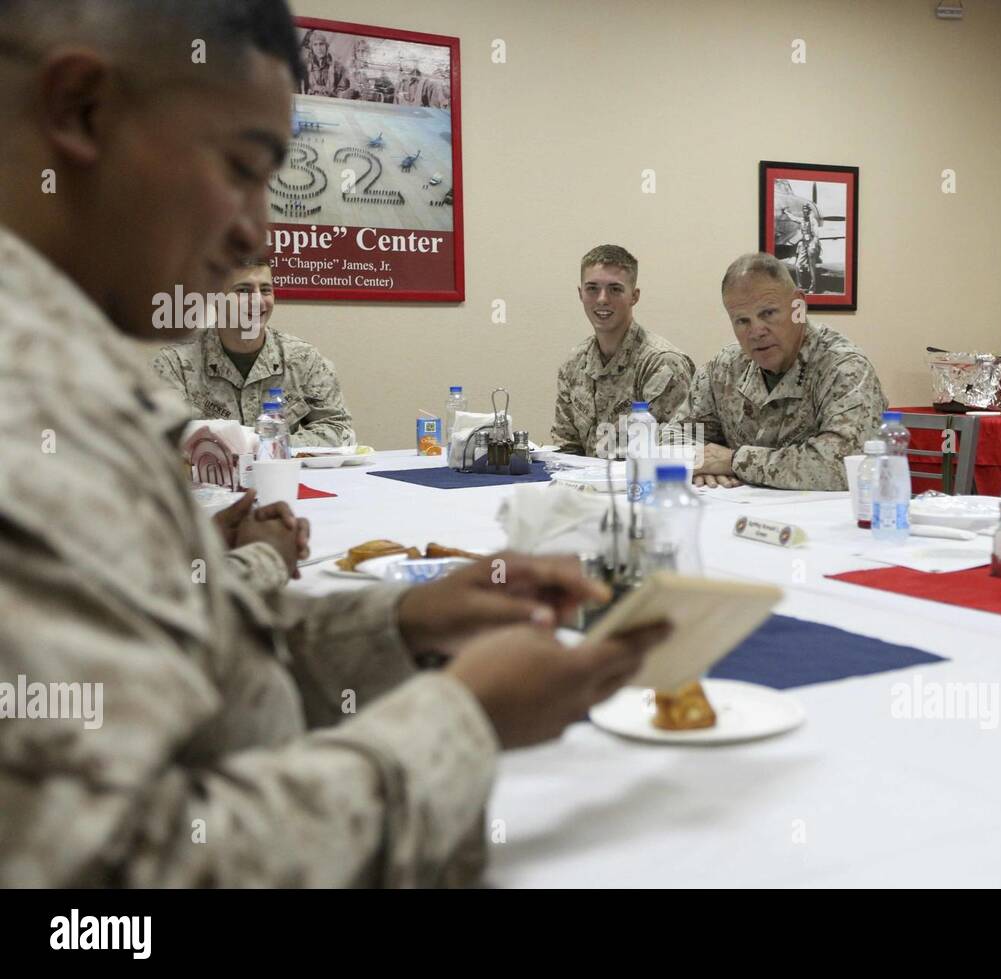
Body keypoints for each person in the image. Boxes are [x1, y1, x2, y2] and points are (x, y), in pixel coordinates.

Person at [0, 0, 665, 888]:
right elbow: (106, 892)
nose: (258, 233)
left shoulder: (72, 358)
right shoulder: (29, 397)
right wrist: (463, 720)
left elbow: (201, 675)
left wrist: (404, 622)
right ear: (81, 110)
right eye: (241, 168)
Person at [673, 252, 885, 490]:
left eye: (768, 313)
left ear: (798, 306)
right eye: (742, 321)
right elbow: (673, 437)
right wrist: (700, 468)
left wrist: (734, 461)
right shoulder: (724, 368)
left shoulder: (844, 369)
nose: (756, 331)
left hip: (824, 521)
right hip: (740, 516)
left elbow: (844, 467)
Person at [153, 256, 356, 446]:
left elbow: (339, 430)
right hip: (209, 482)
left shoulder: (303, 359)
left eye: (266, 290)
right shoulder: (174, 363)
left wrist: (267, 446)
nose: (258, 300)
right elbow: (159, 441)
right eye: (243, 290)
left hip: (282, 480)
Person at [552, 244, 695, 458]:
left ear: (634, 296)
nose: (602, 299)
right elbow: (567, 448)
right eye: (592, 288)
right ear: (580, 294)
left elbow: (675, 452)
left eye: (615, 289)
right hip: (586, 487)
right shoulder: (574, 364)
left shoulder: (662, 363)